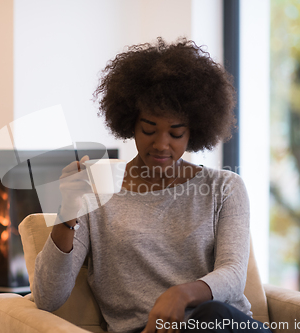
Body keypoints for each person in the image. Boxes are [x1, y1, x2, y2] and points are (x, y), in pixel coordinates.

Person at [32, 37, 272, 333]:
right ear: (130, 123)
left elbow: (234, 276)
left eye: (176, 133)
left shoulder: (225, 187)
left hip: (221, 324)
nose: (161, 144)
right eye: (148, 129)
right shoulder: (95, 190)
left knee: (210, 315)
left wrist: (180, 294)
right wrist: (67, 209)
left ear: (194, 132)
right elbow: (47, 297)